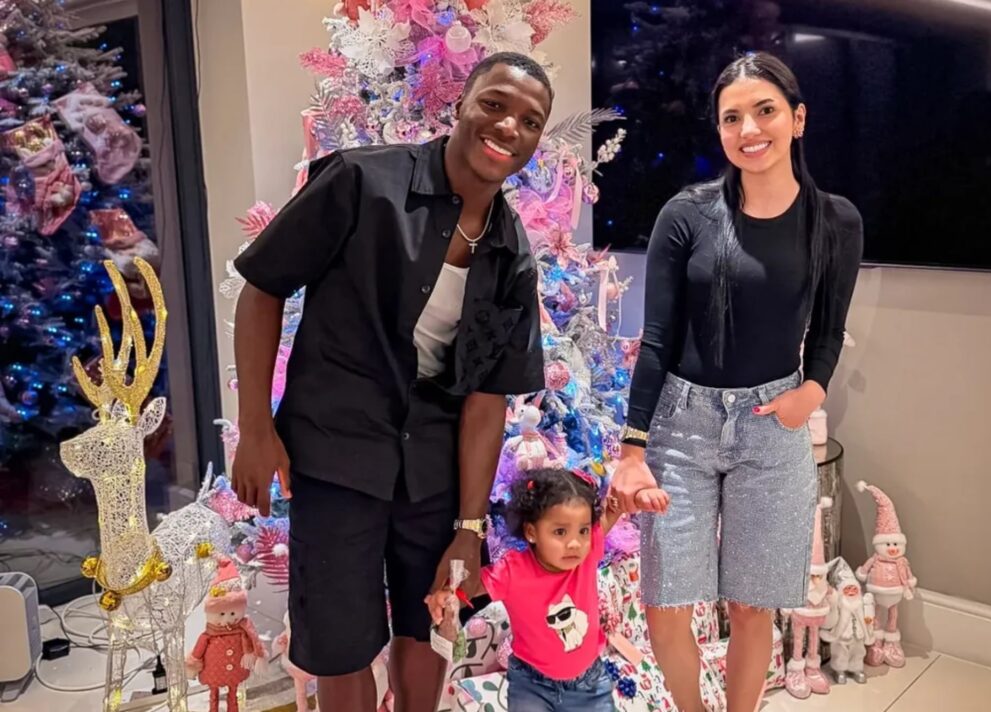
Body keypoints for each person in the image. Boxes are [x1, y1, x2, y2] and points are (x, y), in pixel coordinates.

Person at [229, 53, 553, 712]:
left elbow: (489, 397)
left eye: (530, 120)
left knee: (426, 621)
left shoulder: (511, 253)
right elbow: (262, 287)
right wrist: (256, 430)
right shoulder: (360, 182)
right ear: (461, 103)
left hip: (430, 468)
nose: (508, 126)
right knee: (340, 641)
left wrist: (469, 525)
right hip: (335, 451)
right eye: (494, 103)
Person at [610, 52, 863, 712]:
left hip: (771, 429)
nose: (749, 128)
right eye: (731, 118)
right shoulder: (687, 216)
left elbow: (830, 331)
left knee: (753, 606)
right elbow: (658, 339)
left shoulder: (835, 221)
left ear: (797, 119)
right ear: (719, 131)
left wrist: (811, 394)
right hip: (680, 427)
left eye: (765, 110)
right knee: (668, 602)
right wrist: (633, 448)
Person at [427, 468, 668, 711]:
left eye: (583, 530)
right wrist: (449, 594)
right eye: (560, 532)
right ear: (531, 532)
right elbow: (471, 586)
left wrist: (636, 499)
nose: (575, 543)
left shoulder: (586, 553)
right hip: (531, 684)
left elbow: (610, 514)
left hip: (589, 683)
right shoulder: (514, 570)